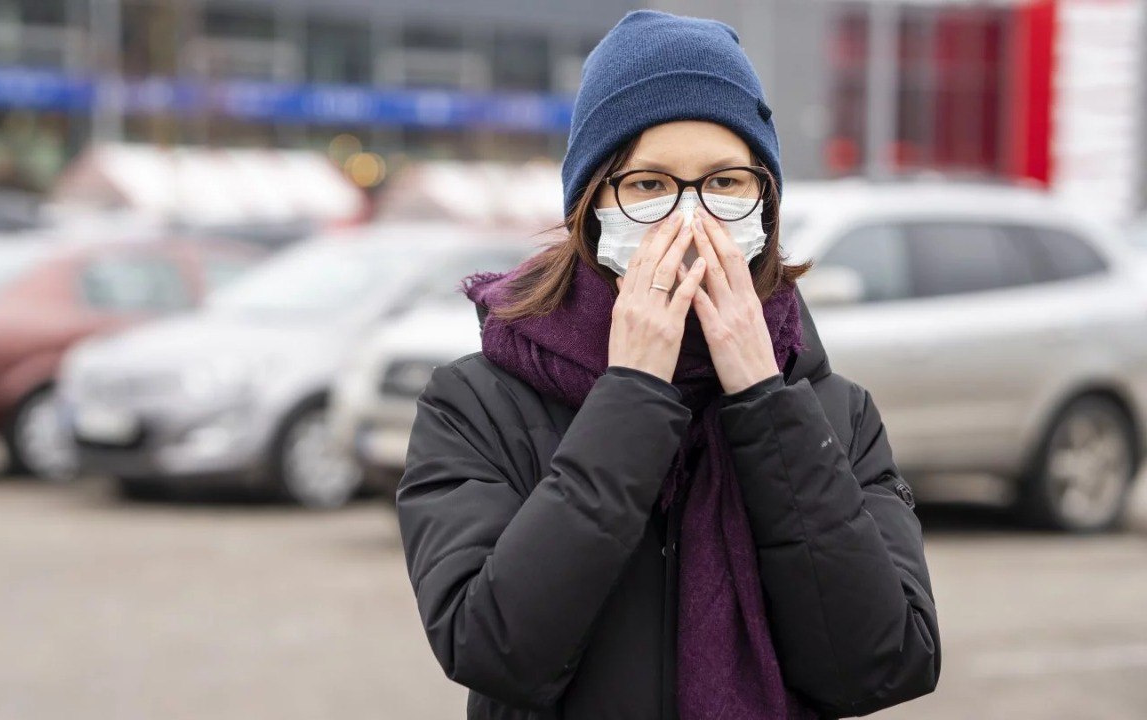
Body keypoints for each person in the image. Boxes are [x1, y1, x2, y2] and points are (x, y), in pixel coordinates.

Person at [395, 9, 940, 720]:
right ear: (593, 207)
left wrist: (764, 400)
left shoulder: (833, 411)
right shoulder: (476, 403)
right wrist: (630, 397)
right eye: (649, 185)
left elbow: (883, 663)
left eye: (724, 182)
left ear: (765, 203)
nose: (691, 219)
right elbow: (495, 648)